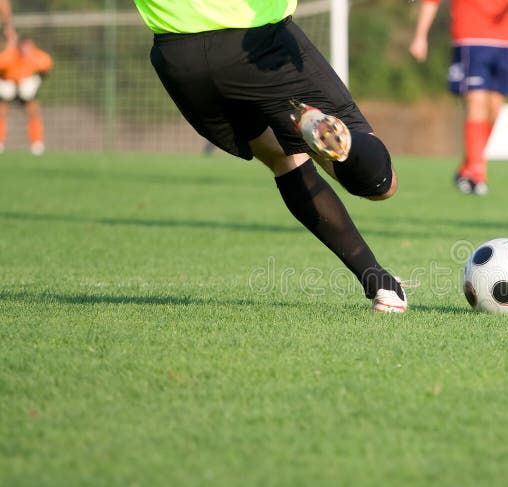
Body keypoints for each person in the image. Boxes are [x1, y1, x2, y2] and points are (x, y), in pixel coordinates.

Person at [132, 0, 408, 312]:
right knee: (383, 185)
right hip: (256, 42)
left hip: (178, 58)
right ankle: (341, 144)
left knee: (283, 156)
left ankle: (380, 285)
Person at [409, 0, 508, 196]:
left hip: (503, 42)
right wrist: (420, 36)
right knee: (476, 102)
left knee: (495, 109)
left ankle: (467, 169)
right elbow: (431, 2)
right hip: (470, 40)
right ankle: (478, 173)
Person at [0, 35, 52, 155]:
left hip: (26, 88)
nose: (26, 50)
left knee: (33, 111)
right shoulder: (10, 55)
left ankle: (37, 143)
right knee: (2, 111)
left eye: (29, 46)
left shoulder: (38, 57)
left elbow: (46, 69)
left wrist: (36, 80)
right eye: (24, 46)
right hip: (8, 84)